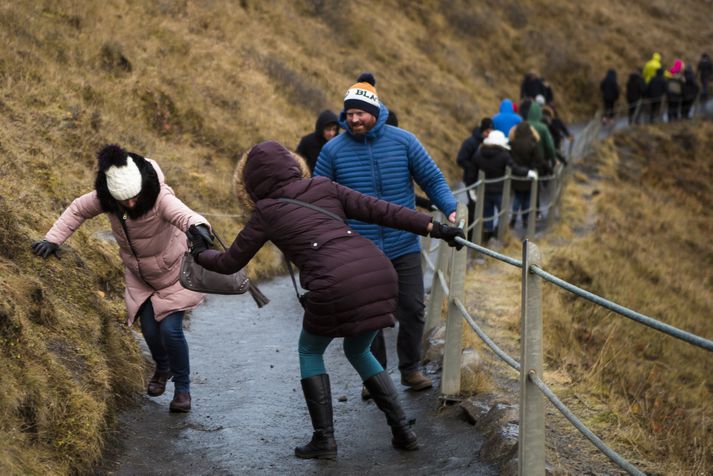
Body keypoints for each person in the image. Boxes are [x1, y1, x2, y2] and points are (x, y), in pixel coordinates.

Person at [189, 140, 464, 459]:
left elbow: (229, 263)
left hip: (335, 282)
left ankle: (325, 439)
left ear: (250, 183)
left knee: (310, 349)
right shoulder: (323, 186)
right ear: (292, 164)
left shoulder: (265, 211)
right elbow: (383, 211)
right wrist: (438, 229)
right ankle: (403, 430)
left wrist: (200, 253)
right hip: (378, 270)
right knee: (358, 348)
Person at [31, 144, 213, 413]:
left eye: (134, 197)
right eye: (123, 200)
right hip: (140, 276)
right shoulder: (105, 199)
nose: (130, 203)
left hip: (174, 273)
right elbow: (77, 209)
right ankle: (162, 368)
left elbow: (184, 214)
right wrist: (52, 239)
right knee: (150, 330)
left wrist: (198, 228)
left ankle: (183, 390)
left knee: (171, 331)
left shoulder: (159, 196)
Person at [314, 72, 458, 394]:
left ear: (375, 112)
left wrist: (448, 207)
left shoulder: (404, 141)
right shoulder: (333, 151)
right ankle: (375, 376)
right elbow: (319, 197)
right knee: (369, 316)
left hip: (402, 241)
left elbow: (431, 178)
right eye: (349, 114)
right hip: (358, 247)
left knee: (412, 307)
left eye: (359, 114)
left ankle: (410, 369)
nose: (353, 120)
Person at [469, 130, 535, 241]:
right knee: (503, 214)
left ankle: (487, 238)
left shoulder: (479, 154)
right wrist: (527, 172)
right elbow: (514, 168)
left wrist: (472, 188)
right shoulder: (503, 155)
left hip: (484, 190)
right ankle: (499, 235)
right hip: (500, 190)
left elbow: (472, 172)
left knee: (487, 215)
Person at [456, 117, 493, 240]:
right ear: (482, 130)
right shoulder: (470, 143)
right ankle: (470, 235)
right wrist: (473, 167)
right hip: (471, 180)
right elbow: (460, 159)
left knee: (482, 207)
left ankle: (479, 234)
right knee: (473, 207)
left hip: (484, 181)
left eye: (491, 131)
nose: (489, 134)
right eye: (487, 131)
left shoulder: (491, 143)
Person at [508, 122, 548, 229]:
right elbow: (538, 160)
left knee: (517, 197)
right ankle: (525, 219)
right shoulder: (532, 144)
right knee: (527, 198)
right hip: (529, 175)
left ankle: (513, 218)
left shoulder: (512, 143)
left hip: (516, 174)